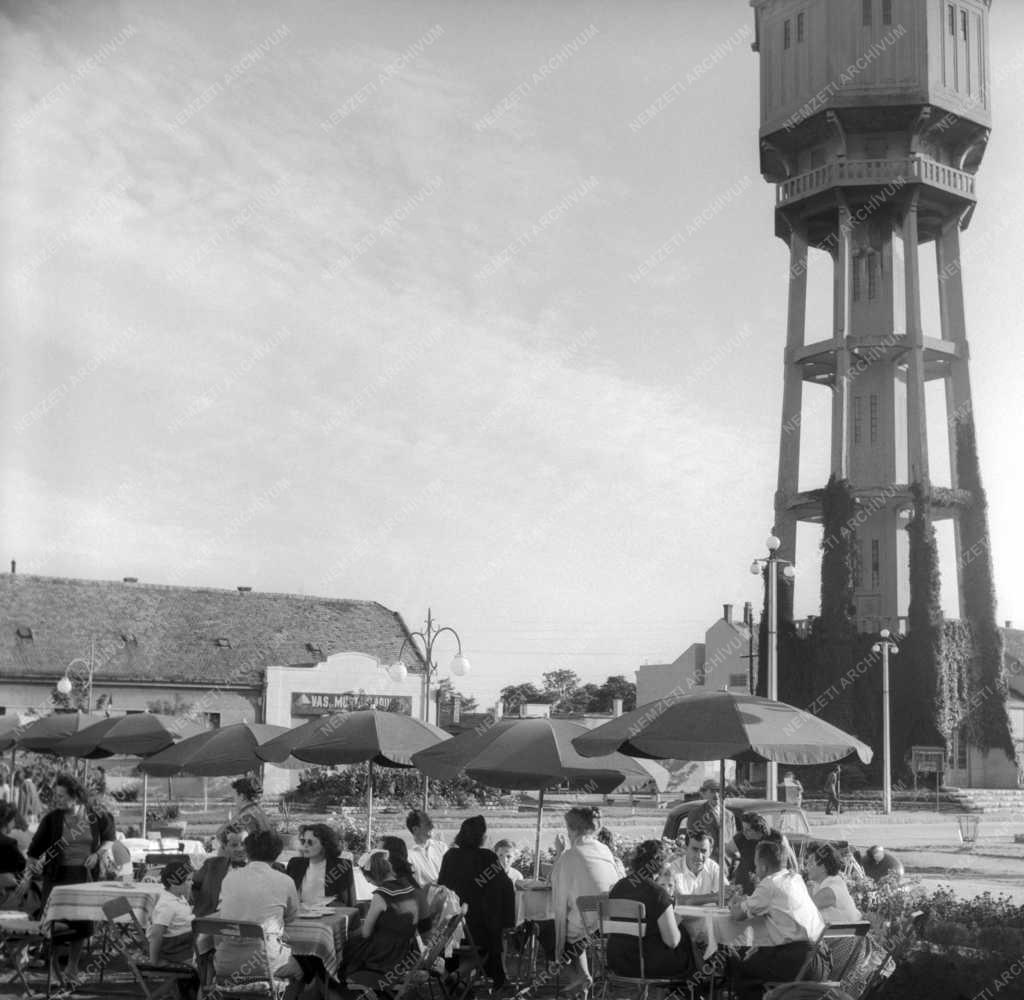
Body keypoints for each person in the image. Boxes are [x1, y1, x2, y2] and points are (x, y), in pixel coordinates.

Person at [27, 773, 116, 984]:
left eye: (61, 795)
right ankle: (56, 970)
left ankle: (72, 967)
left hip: (84, 877)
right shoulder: (51, 820)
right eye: (55, 795)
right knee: (56, 924)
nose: (56, 799)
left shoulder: (96, 815)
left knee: (82, 924)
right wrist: (34, 867)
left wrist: (98, 854)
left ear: (75, 797)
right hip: (58, 878)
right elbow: (33, 852)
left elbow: (109, 839)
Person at [728, 839, 830, 1000]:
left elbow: (737, 915)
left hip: (798, 962)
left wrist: (734, 901)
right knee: (756, 959)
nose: (754, 868)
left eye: (755, 864)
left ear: (763, 867)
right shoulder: (795, 878)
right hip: (822, 960)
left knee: (740, 968)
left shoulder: (769, 884)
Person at [213, 829, 301, 983]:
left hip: (225, 963)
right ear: (278, 853)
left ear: (247, 851)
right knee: (304, 967)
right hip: (266, 962)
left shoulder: (229, 878)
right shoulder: (285, 880)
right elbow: (292, 917)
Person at [438, 814, 515, 988]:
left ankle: (457, 977)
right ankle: (460, 976)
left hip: (452, 928)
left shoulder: (450, 856)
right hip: (480, 929)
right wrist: (506, 921)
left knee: (474, 942)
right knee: (487, 945)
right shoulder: (487, 857)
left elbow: (441, 888)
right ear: (481, 837)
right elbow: (505, 886)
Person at [549, 806, 620, 993]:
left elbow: (556, 889)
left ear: (571, 830)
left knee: (550, 930)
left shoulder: (569, 856)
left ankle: (578, 978)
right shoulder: (605, 851)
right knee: (579, 922)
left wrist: (559, 852)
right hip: (610, 924)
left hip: (588, 929)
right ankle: (582, 979)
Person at [607, 839, 696, 981]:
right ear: (659, 865)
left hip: (617, 961)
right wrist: (676, 923)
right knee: (685, 940)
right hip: (645, 965)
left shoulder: (618, 887)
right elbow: (672, 941)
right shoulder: (658, 894)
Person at [343, 852, 421, 992]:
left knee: (345, 947)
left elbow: (366, 933)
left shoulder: (382, 894)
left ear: (373, 875)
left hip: (385, 956)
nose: (367, 882)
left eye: (367, 877)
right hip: (407, 952)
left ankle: (337, 985)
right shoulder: (408, 887)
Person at [285, 822, 354, 906]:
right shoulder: (295, 864)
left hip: (330, 916)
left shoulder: (341, 866)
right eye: (303, 841)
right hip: (300, 916)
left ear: (325, 845)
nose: (305, 845)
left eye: (310, 842)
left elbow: (347, 903)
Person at [192, 821, 248, 917]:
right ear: (224, 847)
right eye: (234, 845)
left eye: (243, 844)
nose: (240, 849)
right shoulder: (212, 865)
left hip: (241, 920)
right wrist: (200, 905)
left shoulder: (259, 869)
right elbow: (193, 886)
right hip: (209, 918)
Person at [149, 858, 196, 965]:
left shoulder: (178, 896)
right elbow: (156, 934)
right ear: (174, 884)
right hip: (174, 949)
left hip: (185, 942)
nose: (192, 882)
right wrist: (154, 961)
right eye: (188, 880)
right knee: (206, 959)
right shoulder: (167, 905)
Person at [667, 830, 726, 905]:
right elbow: (674, 899)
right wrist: (715, 897)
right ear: (686, 848)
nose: (699, 856)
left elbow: (726, 894)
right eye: (695, 849)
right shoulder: (673, 868)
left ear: (710, 851)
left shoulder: (714, 867)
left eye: (703, 851)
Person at [806, 844, 861, 925]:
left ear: (823, 867)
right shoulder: (825, 884)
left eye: (810, 863)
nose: (806, 867)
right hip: (838, 935)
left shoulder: (830, 890)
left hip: (843, 935)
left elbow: (804, 911)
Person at [687, 780, 738, 862]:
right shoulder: (696, 813)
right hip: (705, 860)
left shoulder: (729, 815)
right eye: (712, 791)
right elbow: (692, 839)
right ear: (704, 793)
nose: (716, 795)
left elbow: (733, 840)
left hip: (726, 862)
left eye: (719, 791)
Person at [731, 812, 770, 896]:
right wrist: (735, 863)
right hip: (743, 888)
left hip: (765, 888)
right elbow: (727, 851)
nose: (744, 832)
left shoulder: (772, 839)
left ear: (758, 830)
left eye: (748, 830)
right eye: (743, 828)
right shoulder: (741, 838)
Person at [406, 809, 446, 886]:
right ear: (415, 829)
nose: (432, 826)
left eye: (431, 823)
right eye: (427, 824)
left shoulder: (442, 847)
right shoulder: (409, 857)